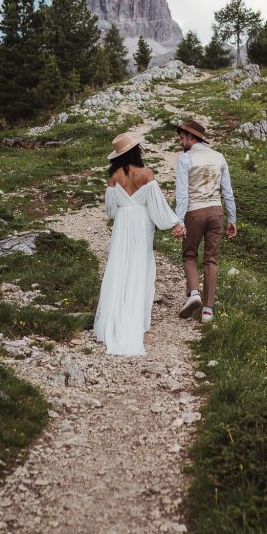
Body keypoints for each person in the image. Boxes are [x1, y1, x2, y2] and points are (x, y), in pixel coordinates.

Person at [93, 132, 185, 356]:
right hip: (141, 224)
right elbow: (157, 205)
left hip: (123, 225)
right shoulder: (146, 174)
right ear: (136, 151)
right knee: (140, 267)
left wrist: (126, 208)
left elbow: (111, 211)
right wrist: (174, 222)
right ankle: (136, 319)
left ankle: (111, 318)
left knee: (119, 267)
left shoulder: (114, 177)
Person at [174, 119, 237, 324]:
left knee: (190, 254)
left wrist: (178, 221)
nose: (181, 140)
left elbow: (182, 195)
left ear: (193, 137)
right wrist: (232, 218)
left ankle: (194, 294)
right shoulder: (219, 157)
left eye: (183, 137)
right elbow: (227, 191)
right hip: (217, 212)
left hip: (194, 212)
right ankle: (208, 311)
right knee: (211, 259)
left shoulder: (185, 159)